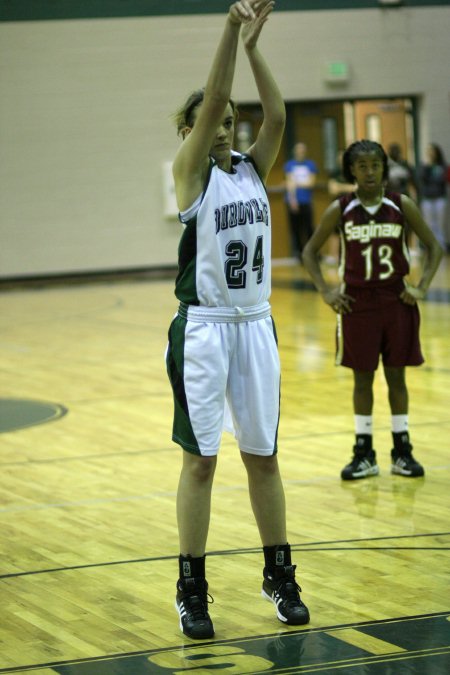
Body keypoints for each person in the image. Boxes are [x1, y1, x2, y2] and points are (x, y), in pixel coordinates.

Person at [166, 0, 309, 640]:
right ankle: (191, 586)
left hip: (255, 324)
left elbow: (276, 114)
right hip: (203, 328)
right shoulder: (190, 173)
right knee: (202, 462)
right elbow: (219, 90)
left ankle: (279, 573)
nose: (223, 127)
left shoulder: (253, 169)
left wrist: (255, 49)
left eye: (228, 121)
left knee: (264, 458)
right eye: (211, 121)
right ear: (191, 130)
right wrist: (228, 30)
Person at [302, 140, 443, 481]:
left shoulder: (400, 204)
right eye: (362, 166)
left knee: (397, 376)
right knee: (362, 379)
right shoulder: (341, 208)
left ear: (384, 168)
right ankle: (364, 451)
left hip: (396, 301)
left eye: (375, 165)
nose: (369, 172)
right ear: (351, 170)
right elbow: (309, 252)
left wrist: (421, 287)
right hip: (357, 304)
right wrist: (326, 290)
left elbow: (435, 247)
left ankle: (402, 450)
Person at [284, 142, 318, 261]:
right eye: (298, 150)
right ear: (295, 152)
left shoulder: (310, 165)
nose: (300, 153)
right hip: (293, 202)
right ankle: (299, 255)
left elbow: (311, 183)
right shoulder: (290, 165)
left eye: (302, 150)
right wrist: (293, 200)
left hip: (306, 201)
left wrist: (296, 183)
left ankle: (312, 253)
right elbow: (289, 183)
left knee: (309, 228)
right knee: (295, 229)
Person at [418, 143, 447, 252]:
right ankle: (431, 247)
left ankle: (441, 245)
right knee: (429, 224)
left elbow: (443, 180)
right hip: (427, 198)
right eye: (428, 151)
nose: (430, 153)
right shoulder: (424, 166)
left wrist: (433, 179)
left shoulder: (442, 165)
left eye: (432, 151)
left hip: (440, 197)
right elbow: (421, 178)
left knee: (440, 224)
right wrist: (427, 166)